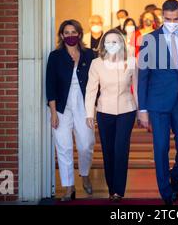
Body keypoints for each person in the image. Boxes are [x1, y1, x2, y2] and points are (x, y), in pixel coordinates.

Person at [138, 0, 178, 205]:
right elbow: (143, 76)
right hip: (157, 102)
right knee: (161, 147)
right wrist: (143, 109)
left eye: (176, 19)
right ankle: (166, 193)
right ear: (161, 17)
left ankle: (175, 176)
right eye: (168, 19)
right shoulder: (149, 39)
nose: (172, 22)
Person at [85, 29, 138, 202]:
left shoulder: (131, 61)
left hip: (127, 110)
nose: (111, 45)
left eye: (115, 41)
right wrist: (89, 114)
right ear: (103, 44)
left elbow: (136, 88)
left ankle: (118, 191)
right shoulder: (96, 63)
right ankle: (111, 188)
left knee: (121, 149)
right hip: (104, 111)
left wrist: (141, 111)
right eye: (108, 42)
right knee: (108, 150)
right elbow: (91, 90)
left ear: (121, 43)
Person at [46, 19, 95, 202]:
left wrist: (94, 107)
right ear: (61, 35)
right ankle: (69, 186)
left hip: (84, 103)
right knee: (63, 146)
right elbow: (49, 84)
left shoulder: (89, 54)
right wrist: (53, 112)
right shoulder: (55, 56)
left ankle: (85, 174)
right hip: (60, 106)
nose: (70, 35)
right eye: (66, 32)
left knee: (86, 143)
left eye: (73, 32)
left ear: (80, 34)